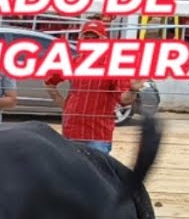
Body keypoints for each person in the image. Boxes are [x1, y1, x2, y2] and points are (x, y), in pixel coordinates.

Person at [44, 20, 143, 156]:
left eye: (94, 38)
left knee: (96, 172)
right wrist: (64, 105)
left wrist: (133, 90)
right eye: (86, 37)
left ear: (104, 40)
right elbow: (50, 81)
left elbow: (124, 100)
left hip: (98, 135)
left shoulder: (112, 66)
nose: (90, 41)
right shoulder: (74, 62)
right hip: (72, 130)